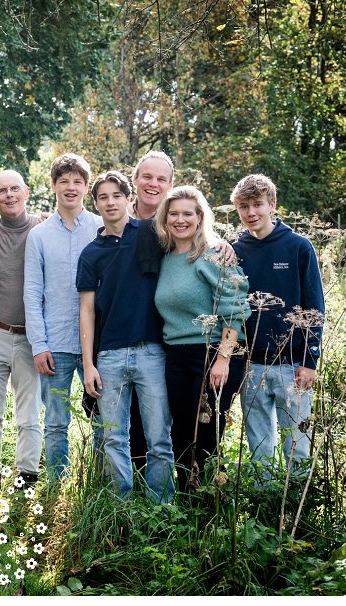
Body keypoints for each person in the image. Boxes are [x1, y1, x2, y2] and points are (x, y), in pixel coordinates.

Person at [77, 171, 175, 503]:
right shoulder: (91, 253)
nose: (110, 202)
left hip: (151, 351)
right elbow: (87, 311)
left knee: (159, 437)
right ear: (96, 204)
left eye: (116, 195)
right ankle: (120, 506)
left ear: (128, 198)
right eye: (102, 197)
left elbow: (191, 238)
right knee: (114, 437)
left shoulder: (151, 233)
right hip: (110, 356)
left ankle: (161, 507)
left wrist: (221, 246)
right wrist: (89, 364)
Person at [153, 186, 250, 492]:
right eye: (174, 214)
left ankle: (210, 508)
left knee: (207, 435)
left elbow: (235, 308)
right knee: (181, 433)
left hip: (213, 354)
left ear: (199, 217)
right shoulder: (166, 256)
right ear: (165, 218)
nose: (180, 220)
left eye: (187, 214)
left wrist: (222, 358)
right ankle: (187, 507)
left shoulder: (214, 253)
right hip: (176, 355)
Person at [231, 174, 324, 478]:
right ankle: (265, 511)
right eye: (244, 207)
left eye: (257, 204)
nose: (251, 213)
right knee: (259, 448)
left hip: (292, 366)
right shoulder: (236, 250)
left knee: (297, 444)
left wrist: (310, 362)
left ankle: (297, 510)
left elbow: (314, 307)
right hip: (251, 365)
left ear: (272, 204)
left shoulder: (298, 247)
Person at [24, 153, 102, 481]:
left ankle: (100, 483)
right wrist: (39, 345)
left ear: (86, 187)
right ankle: (58, 484)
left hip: (98, 345)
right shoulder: (39, 236)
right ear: (53, 185)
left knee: (102, 420)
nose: (71, 188)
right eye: (64, 181)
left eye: (77, 182)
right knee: (56, 421)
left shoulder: (101, 227)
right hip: (54, 343)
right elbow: (32, 293)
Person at [0, 170, 44, 500]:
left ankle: (26, 478)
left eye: (15, 188)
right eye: (2, 190)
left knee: (28, 413)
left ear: (26, 192)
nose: (10, 194)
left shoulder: (42, 230)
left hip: (31, 337)